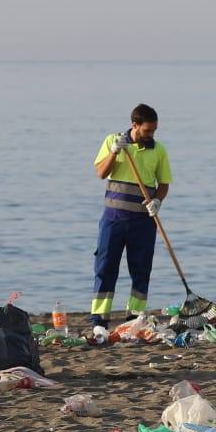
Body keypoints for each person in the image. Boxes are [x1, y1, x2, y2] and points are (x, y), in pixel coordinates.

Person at [91, 103, 172, 329]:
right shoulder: (112, 141)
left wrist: (157, 200)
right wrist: (115, 151)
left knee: (141, 270)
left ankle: (134, 318)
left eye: (154, 131)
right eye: (147, 130)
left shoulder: (158, 150)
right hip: (113, 219)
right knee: (105, 267)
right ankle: (99, 319)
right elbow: (100, 173)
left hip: (143, 222)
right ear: (134, 125)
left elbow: (163, 184)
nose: (151, 135)